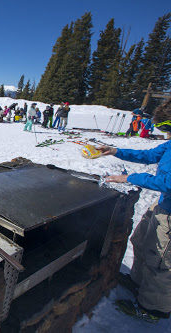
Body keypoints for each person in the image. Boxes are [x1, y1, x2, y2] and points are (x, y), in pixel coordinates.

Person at [97, 99, 171, 322]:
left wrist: (129, 177)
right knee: (141, 242)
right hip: (163, 205)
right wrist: (115, 150)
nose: (164, 135)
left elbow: (166, 182)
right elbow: (149, 156)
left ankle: (154, 308)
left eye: (166, 129)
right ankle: (139, 283)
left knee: (161, 261)